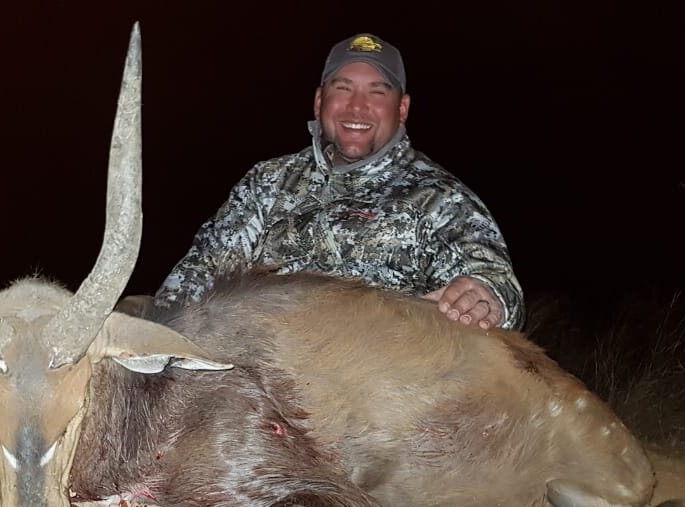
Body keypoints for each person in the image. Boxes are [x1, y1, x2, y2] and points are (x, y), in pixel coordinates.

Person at [156, 33, 524, 330]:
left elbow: (492, 280)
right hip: (255, 375)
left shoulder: (440, 198)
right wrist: (163, 332)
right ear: (319, 101)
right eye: (343, 88)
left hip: (373, 391)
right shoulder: (268, 182)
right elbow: (201, 270)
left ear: (402, 109)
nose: (357, 106)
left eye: (377, 92)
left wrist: (488, 296)